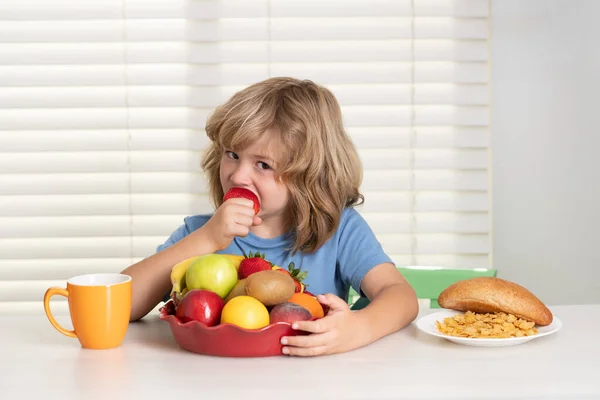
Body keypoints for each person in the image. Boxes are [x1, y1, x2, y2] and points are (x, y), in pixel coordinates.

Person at [121, 77, 419, 356]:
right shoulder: (201, 233)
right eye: (232, 155)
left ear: (308, 176)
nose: (238, 176)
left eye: (262, 165)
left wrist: (359, 328)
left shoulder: (339, 230)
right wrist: (207, 239)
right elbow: (120, 305)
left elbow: (401, 296)